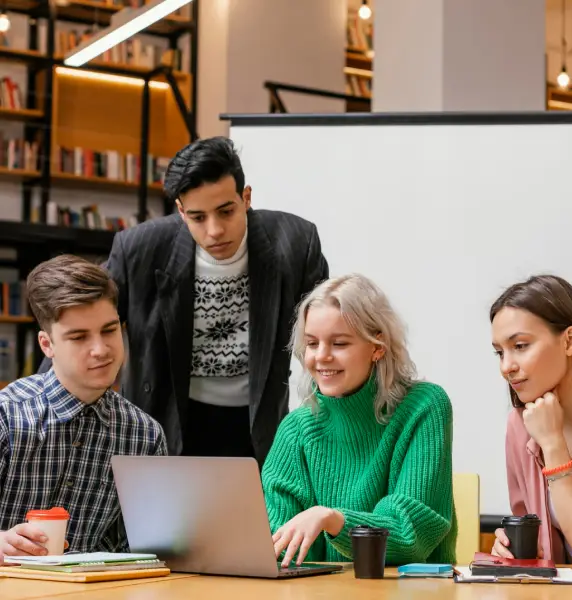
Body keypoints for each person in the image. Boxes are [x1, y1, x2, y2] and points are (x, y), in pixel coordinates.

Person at [94, 136, 328, 464]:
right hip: (165, 421)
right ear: (180, 210)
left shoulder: (295, 243)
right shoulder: (139, 249)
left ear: (246, 198)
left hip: (256, 424)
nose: (214, 230)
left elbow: (327, 335)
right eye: (198, 217)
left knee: (253, 517)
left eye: (225, 211)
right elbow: (83, 320)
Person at [261, 274, 456, 567]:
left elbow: (410, 536)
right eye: (312, 344)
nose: (321, 357)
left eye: (339, 343)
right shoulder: (295, 430)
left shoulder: (424, 407)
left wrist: (333, 519)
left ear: (378, 347)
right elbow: (280, 546)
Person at [0, 255, 166, 557]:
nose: (101, 350)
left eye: (109, 330)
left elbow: (145, 552)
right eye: (78, 337)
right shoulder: (7, 417)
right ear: (47, 345)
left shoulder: (145, 435)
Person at [490, 274, 572, 568]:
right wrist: (511, 546)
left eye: (521, 346)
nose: (506, 367)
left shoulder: (541, 432)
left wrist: (552, 443)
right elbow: (536, 539)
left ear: (570, 341)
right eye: (500, 352)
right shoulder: (519, 426)